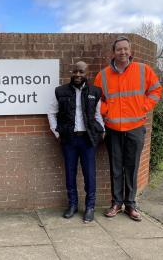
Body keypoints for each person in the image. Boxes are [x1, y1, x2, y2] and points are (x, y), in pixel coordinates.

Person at [94, 36, 162, 222]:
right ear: (113, 52)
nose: (122, 52)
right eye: (119, 49)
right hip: (113, 128)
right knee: (116, 167)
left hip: (135, 127)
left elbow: (156, 90)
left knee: (131, 167)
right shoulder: (103, 75)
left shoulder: (143, 70)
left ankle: (130, 204)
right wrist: (107, 112)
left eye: (126, 49)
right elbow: (97, 99)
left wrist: (143, 107)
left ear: (131, 51)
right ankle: (116, 203)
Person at [48, 61, 104, 222]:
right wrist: (56, 132)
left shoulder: (95, 91)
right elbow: (51, 112)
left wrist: (103, 130)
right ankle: (72, 205)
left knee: (89, 174)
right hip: (69, 140)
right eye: (75, 71)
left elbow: (97, 114)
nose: (78, 75)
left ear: (87, 73)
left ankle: (90, 207)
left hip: (88, 140)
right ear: (71, 72)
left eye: (81, 72)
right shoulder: (60, 91)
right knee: (70, 173)